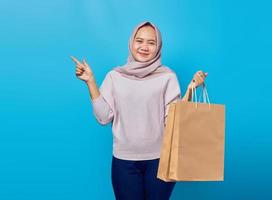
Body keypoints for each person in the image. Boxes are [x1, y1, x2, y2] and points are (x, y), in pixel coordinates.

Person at [71, 21, 208, 200]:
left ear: (158, 46)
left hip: (161, 161)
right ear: (131, 43)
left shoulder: (167, 77)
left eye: (151, 43)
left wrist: (190, 89)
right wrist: (90, 82)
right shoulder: (115, 76)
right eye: (139, 41)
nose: (144, 47)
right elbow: (104, 118)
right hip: (124, 162)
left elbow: (173, 122)